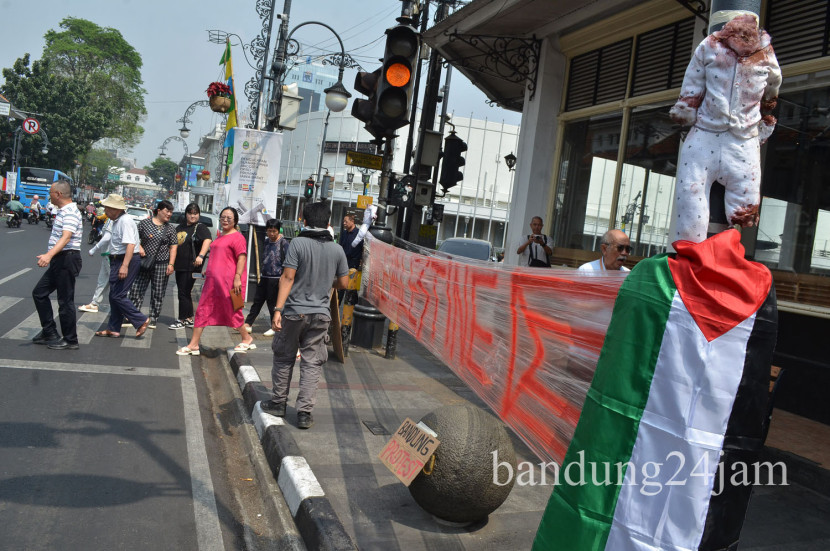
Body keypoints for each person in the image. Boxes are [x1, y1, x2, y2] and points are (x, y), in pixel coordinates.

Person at [669, 14, 781, 243]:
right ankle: (692, 251)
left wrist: (766, 116)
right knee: (690, 196)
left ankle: (723, 253)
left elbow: (773, 86)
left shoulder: (765, 52)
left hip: (743, 139)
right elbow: (693, 81)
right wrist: (686, 109)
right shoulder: (709, 45)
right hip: (706, 133)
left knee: (743, 209)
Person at [260, 201, 349, 429]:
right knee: (312, 363)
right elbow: (344, 283)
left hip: (294, 312)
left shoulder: (297, 244)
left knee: (283, 356)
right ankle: (304, 414)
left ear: (305, 221)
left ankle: (279, 403)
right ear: (329, 223)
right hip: (321, 315)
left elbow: (288, 278)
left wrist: (277, 310)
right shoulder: (337, 249)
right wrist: (325, 278)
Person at [176, 207, 254, 356]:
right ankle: (193, 344)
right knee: (202, 311)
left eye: (229, 218)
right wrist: (209, 270)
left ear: (235, 221)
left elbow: (242, 258)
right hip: (213, 282)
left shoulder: (238, 237)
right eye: (223, 217)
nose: (225, 220)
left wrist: (237, 277)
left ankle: (247, 338)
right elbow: (218, 258)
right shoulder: (220, 236)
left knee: (233, 310)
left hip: (230, 283)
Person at [31, 180, 83, 350]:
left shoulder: (70, 213)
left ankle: (70, 339)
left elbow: (66, 237)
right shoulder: (63, 211)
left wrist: (49, 254)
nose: (49, 196)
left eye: (51, 193)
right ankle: (49, 332)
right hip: (60, 259)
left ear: (58, 194)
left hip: (67, 259)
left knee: (65, 301)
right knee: (39, 293)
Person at [95, 194, 150, 339]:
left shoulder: (124, 221)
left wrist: (124, 265)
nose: (105, 210)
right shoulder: (117, 220)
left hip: (126, 260)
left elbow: (130, 245)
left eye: (107, 207)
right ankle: (113, 328)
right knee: (114, 295)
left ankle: (140, 319)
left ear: (115, 209)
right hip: (118, 259)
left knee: (118, 295)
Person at [128, 200, 178, 329]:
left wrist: (171, 264)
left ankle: (153, 318)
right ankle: (134, 316)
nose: (169, 214)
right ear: (159, 210)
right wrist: (139, 247)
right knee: (137, 289)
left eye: (171, 212)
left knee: (158, 292)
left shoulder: (171, 228)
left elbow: (173, 247)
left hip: (162, 264)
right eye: (167, 211)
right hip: (144, 262)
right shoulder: (145, 223)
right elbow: (133, 237)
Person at [169, 202, 212, 329]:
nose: (192, 216)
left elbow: (208, 240)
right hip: (180, 266)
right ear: (186, 214)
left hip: (191, 266)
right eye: (190, 213)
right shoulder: (180, 227)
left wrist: (201, 256)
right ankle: (188, 318)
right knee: (185, 292)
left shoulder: (200, 227)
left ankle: (182, 320)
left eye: (195, 214)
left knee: (183, 292)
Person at [243, 219, 289, 337]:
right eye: (269, 231)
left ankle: (275, 325)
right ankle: (248, 323)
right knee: (257, 301)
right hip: (264, 276)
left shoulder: (284, 243)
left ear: (278, 231)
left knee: (272, 303)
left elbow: (288, 261)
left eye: (274, 231)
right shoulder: (267, 241)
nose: (272, 234)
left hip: (276, 278)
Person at [78, 216, 114, 313]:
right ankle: (95, 303)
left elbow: (107, 237)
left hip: (110, 254)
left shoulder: (114, 219)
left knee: (115, 283)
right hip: (106, 254)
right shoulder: (110, 219)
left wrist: (94, 248)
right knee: (102, 281)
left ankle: (124, 309)